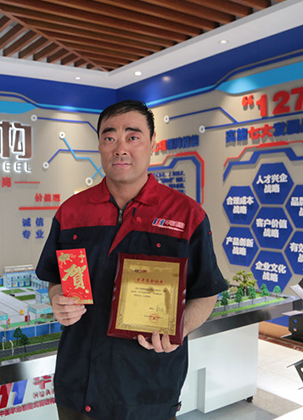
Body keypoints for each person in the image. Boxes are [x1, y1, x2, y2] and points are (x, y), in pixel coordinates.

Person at [36, 100, 228, 420]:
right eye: (109, 137)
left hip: (148, 388)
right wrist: (58, 298)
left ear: (152, 144)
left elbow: (206, 292)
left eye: (133, 136)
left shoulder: (187, 215)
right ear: (99, 146)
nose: (120, 148)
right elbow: (56, 278)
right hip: (78, 384)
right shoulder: (72, 212)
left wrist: (178, 329)